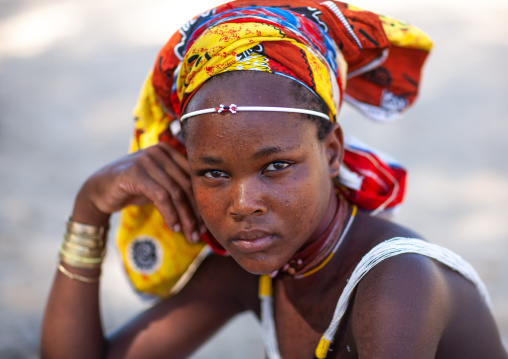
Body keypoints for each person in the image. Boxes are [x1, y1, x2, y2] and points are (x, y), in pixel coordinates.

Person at [41, 1, 508, 358]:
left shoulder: (398, 283)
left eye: (276, 166)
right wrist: (90, 210)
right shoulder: (261, 264)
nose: (243, 204)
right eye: (214, 172)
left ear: (332, 152)